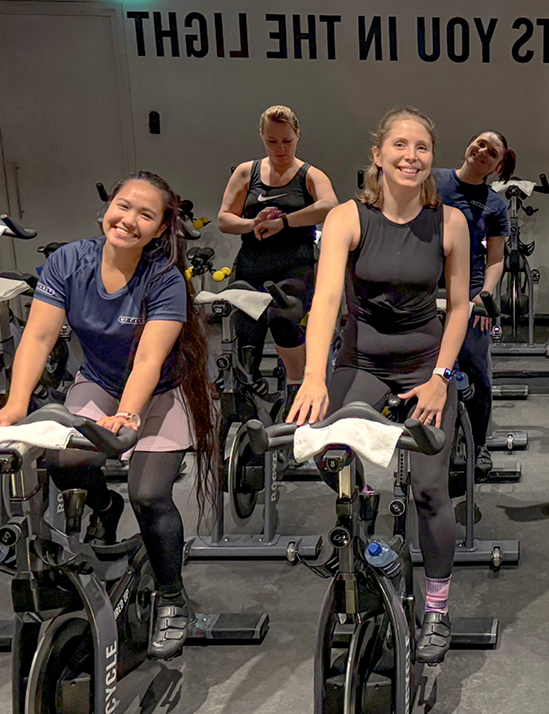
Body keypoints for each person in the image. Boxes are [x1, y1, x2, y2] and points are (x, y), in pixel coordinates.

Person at [0, 171, 219, 659]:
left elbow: (148, 360)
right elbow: (37, 338)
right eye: (124, 206)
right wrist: (16, 407)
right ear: (107, 208)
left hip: (162, 390)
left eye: (146, 214)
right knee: (64, 463)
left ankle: (170, 596)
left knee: (149, 493)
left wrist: (126, 417)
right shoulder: (69, 262)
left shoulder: (164, 280)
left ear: (162, 228)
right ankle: (104, 507)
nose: (129, 220)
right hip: (99, 379)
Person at [287, 108, 471, 664]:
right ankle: (366, 533)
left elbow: (460, 306)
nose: (410, 156)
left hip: (424, 367)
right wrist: (314, 377)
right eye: (399, 145)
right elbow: (324, 303)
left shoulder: (451, 223)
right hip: (361, 360)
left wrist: (442, 378)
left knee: (430, 490)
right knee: (330, 457)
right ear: (378, 154)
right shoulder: (348, 217)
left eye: (421, 147)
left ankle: (436, 606)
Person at [217, 105, 337, 402]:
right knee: (247, 324)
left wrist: (284, 222)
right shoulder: (248, 172)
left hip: (294, 267)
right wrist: (253, 223)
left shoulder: (310, 174)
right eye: (272, 141)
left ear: (297, 136)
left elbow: (330, 205)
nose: (280, 148)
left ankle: (297, 383)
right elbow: (223, 219)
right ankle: (249, 387)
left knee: (283, 316)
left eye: (287, 141)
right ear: (261, 137)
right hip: (253, 266)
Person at [433, 132, 514, 476]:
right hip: (427, 285)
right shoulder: (433, 180)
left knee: (475, 370)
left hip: (471, 291)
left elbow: (496, 257)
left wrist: (485, 296)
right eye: (479, 144)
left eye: (491, 152)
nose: (482, 151)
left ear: (497, 166)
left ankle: (479, 445)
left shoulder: (494, 204)